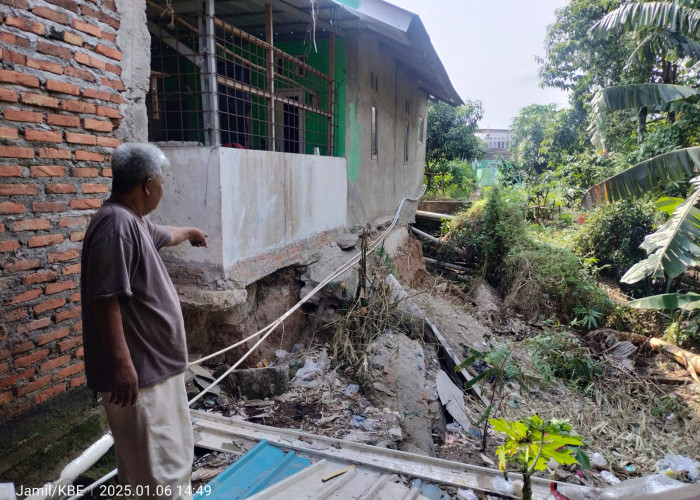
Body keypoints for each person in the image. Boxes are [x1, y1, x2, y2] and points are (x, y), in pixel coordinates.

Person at [81, 143, 207, 498]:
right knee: (158, 473)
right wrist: (123, 365)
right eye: (163, 181)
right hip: (141, 378)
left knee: (157, 466)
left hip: (155, 372)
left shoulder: (133, 220)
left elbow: (165, 233)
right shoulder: (116, 226)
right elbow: (105, 299)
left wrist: (192, 232)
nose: (164, 188)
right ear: (148, 185)